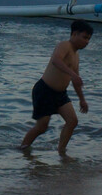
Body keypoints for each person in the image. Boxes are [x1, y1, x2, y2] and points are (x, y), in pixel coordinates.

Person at [18, 20, 92, 156]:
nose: (87, 42)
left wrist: (82, 99)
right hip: (44, 90)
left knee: (72, 121)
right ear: (74, 34)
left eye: (88, 39)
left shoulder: (76, 55)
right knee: (42, 127)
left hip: (60, 94)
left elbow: (76, 81)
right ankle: (23, 149)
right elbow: (56, 60)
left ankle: (61, 151)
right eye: (84, 37)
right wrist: (72, 74)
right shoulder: (64, 45)